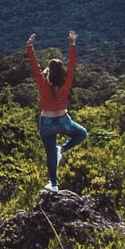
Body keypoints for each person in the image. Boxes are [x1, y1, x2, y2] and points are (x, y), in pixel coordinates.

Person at [27, 29, 87, 193]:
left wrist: (30, 47)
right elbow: (73, 65)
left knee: (50, 154)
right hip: (63, 121)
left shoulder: (42, 81)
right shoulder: (66, 82)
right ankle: (63, 149)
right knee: (82, 134)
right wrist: (72, 44)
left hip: (46, 122)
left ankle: (53, 184)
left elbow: (34, 66)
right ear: (62, 71)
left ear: (49, 71)